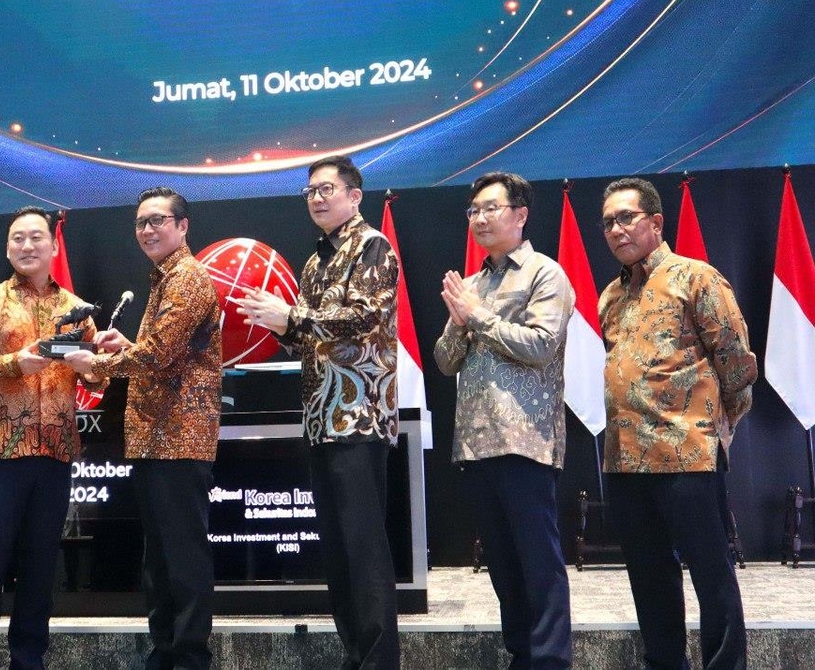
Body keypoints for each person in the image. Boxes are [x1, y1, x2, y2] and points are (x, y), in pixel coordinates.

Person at [236, 155, 400, 669]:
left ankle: (379, 663)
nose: (317, 198)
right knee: (338, 553)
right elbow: (309, 341)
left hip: (359, 416)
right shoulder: (313, 263)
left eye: (327, 188)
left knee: (364, 550)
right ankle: (356, 656)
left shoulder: (372, 245)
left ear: (355, 195)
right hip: (320, 420)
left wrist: (292, 317)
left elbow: (364, 317)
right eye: (310, 191)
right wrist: (280, 328)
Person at [598, 177, 756, 670]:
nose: (616, 229)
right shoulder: (610, 297)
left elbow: (736, 362)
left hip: (687, 454)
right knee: (649, 579)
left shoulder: (696, 277)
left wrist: (716, 427)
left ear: (656, 222)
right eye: (608, 222)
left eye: (626, 217)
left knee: (712, 574)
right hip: (625, 460)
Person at [64, 187, 221, 670]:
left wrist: (98, 364)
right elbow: (163, 354)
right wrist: (125, 347)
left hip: (179, 439)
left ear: (183, 226)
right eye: (141, 223)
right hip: (155, 438)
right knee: (160, 559)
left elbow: (159, 356)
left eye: (158, 220)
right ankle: (167, 652)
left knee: (183, 557)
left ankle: (189, 657)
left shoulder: (188, 278)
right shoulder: (164, 278)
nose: (148, 230)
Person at [0, 206, 106, 670]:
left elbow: (98, 379)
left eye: (36, 237)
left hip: (55, 452)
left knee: (40, 568)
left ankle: (29, 660)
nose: (27, 245)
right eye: (18, 238)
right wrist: (12, 363)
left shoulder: (76, 309)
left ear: (53, 246)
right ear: (7, 248)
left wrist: (93, 369)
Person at [433, 172, 574, 669]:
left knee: (538, 564)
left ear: (520, 214)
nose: (479, 218)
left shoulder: (544, 274)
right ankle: (521, 656)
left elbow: (541, 346)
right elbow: (445, 361)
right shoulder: (470, 285)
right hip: (477, 444)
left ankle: (550, 661)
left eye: (490, 208)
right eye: (473, 210)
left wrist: (478, 317)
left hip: (525, 442)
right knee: (503, 567)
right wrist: (459, 322)